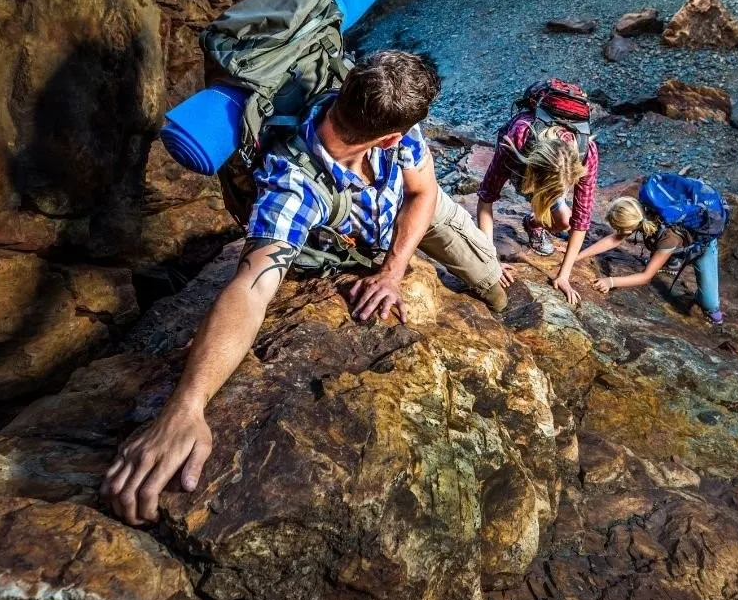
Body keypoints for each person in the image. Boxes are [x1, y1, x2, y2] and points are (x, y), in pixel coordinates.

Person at [102, 51, 505, 526]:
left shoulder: (385, 117)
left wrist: (394, 272)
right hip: (359, 231)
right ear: (388, 134)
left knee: (493, 284)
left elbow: (423, 192)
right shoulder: (292, 186)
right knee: (491, 283)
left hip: (415, 213)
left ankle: (496, 286)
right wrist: (186, 405)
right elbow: (250, 288)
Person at [475, 80, 599, 304]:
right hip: (525, 169)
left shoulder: (586, 152)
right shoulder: (516, 138)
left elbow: (582, 220)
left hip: (550, 172)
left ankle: (533, 223)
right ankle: (538, 199)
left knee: (564, 222)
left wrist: (564, 276)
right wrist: (489, 260)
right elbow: (486, 198)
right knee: (550, 207)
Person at [578, 185, 728, 325]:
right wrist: (577, 256)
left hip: (702, 246)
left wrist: (611, 282)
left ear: (630, 228)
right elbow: (614, 239)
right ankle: (672, 258)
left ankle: (674, 258)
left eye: (619, 228)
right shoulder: (641, 209)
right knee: (663, 246)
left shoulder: (669, 237)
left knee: (711, 305)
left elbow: (646, 277)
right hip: (672, 239)